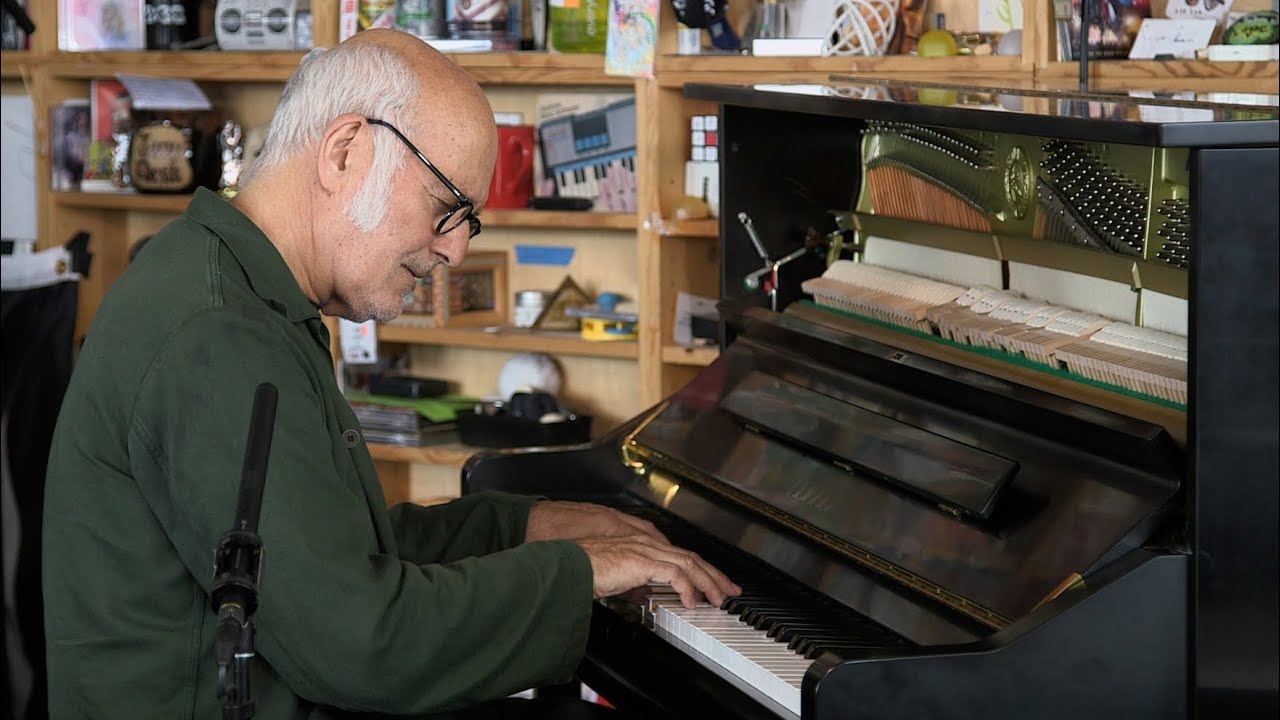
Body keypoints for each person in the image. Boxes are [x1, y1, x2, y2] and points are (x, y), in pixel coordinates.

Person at [42, 29, 739, 719]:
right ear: (345, 150)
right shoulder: (218, 335)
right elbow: (359, 643)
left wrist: (529, 526)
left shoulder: (224, 285)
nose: (457, 250)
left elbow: (326, 556)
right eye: (449, 209)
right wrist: (578, 573)